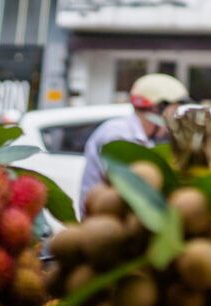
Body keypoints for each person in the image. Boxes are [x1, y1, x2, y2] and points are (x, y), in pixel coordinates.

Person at [79, 73, 189, 214]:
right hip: (102, 221)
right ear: (157, 108)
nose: (174, 120)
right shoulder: (116, 133)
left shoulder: (144, 141)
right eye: (173, 112)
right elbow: (125, 186)